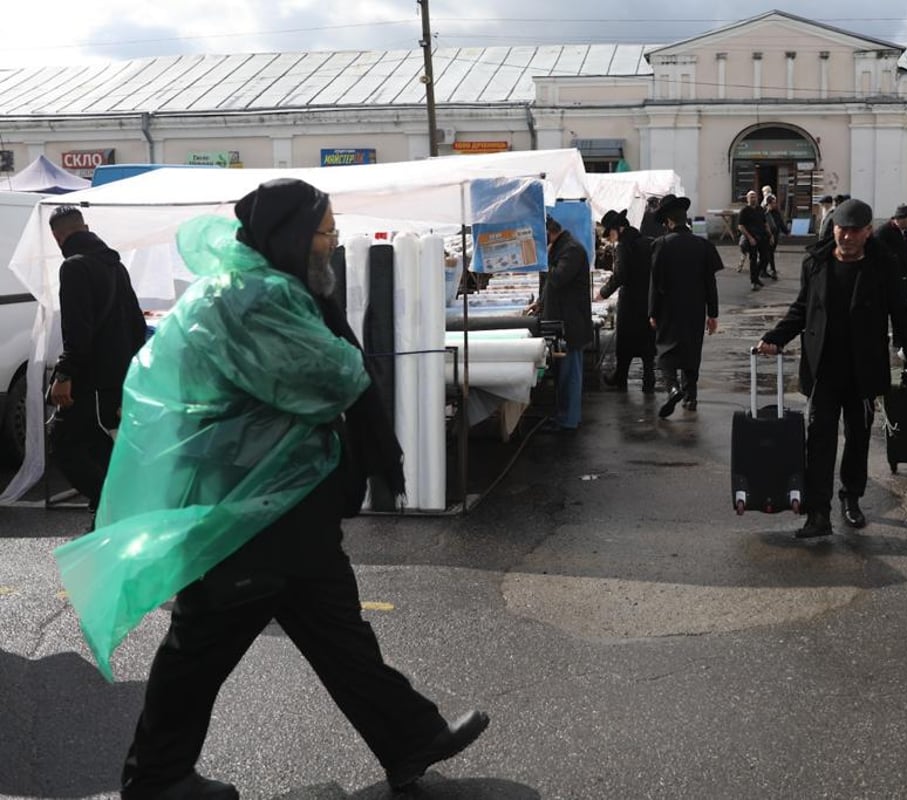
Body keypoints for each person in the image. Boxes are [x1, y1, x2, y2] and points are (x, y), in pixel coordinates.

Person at [114, 179, 488, 799]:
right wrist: (348, 363)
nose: (331, 244)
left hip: (281, 502)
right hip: (252, 504)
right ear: (291, 235)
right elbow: (329, 376)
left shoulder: (262, 289)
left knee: (334, 631)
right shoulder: (256, 298)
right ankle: (155, 778)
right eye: (324, 232)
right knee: (202, 642)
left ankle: (409, 740)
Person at [756, 199, 907, 537]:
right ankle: (818, 512)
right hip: (824, 367)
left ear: (866, 232)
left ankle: (851, 497)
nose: (845, 237)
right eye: (840, 230)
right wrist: (775, 337)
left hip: (863, 368)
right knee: (819, 440)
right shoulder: (817, 262)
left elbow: (902, 314)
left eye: (853, 231)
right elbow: (803, 307)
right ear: (833, 229)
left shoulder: (883, 264)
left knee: (857, 438)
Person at [46, 205, 146, 513]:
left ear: (57, 237)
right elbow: (136, 324)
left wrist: (64, 375)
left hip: (87, 378)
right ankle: (111, 511)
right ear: (86, 227)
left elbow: (78, 330)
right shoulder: (115, 266)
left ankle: (111, 506)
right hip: (115, 376)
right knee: (97, 443)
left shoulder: (74, 267)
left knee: (64, 445)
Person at [648, 194, 721, 418]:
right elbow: (711, 282)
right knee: (691, 351)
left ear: (669, 222)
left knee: (665, 351)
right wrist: (713, 313)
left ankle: (672, 389)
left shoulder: (661, 245)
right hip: (695, 308)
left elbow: (655, 282)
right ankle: (691, 397)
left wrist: (652, 311)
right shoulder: (704, 246)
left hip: (669, 308)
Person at [526, 214, 592, 431]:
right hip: (563, 321)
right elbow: (551, 286)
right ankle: (566, 416)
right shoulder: (562, 248)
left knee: (569, 375)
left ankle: (569, 420)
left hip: (570, 324)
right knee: (565, 374)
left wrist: (541, 258)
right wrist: (541, 304)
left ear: (549, 231)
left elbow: (557, 278)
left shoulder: (571, 250)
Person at [596, 208, 656, 393]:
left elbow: (620, 275)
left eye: (611, 233)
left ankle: (620, 376)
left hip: (630, 302)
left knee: (625, 342)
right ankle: (649, 379)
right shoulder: (647, 242)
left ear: (619, 229)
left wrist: (603, 293)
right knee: (647, 343)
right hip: (647, 299)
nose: (611, 238)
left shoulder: (623, 246)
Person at [873, 204, 907, 299]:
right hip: (889, 275)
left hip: (904, 274)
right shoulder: (884, 231)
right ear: (902, 219)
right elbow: (877, 250)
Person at [737, 190, 771, 290]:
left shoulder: (760, 209)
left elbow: (765, 223)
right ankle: (754, 281)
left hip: (762, 237)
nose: (753, 199)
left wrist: (770, 235)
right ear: (747, 199)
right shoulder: (744, 210)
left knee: (765, 258)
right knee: (753, 259)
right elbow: (741, 226)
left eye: (754, 197)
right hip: (751, 238)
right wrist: (750, 238)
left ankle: (756, 277)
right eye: (751, 197)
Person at [762, 194, 785, 280]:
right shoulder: (765, 212)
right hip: (767, 236)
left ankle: (765, 270)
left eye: (775, 203)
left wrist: (786, 231)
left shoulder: (776, 212)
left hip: (775, 235)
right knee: (768, 254)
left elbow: (780, 223)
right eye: (773, 203)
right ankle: (772, 270)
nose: (775, 205)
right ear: (768, 204)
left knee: (770, 254)